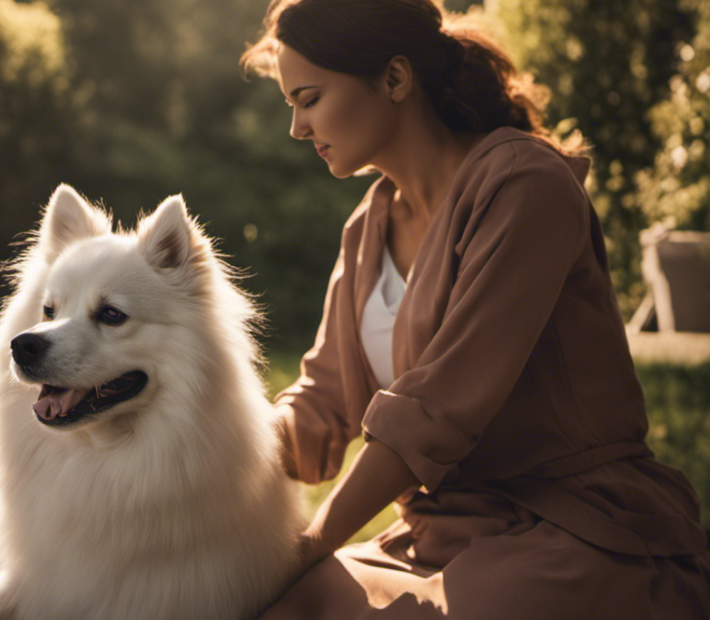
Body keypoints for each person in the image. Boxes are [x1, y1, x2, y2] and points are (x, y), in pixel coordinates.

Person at [240, 0, 710, 618]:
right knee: (286, 610)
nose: (298, 128)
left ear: (395, 79)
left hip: (576, 525)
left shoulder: (524, 185)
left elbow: (437, 408)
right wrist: (211, 443)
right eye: (291, 106)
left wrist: (314, 542)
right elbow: (320, 403)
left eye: (309, 98)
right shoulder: (366, 228)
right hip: (438, 535)